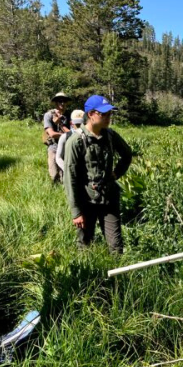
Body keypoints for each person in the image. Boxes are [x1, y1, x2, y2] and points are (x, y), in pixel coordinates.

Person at [64, 95, 132, 253]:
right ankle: (88, 275)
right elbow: (70, 178)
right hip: (86, 201)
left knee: (116, 246)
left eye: (110, 114)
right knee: (85, 245)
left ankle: (117, 275)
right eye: (104, 114)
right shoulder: (75, 141)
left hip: (109, 199)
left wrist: (116, 174)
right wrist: (76, 212)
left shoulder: (110, 135)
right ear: (91, 114)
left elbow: (127, 155)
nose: (108, 117)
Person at [43, 92, 71, 183]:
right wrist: (67, 134)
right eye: (60, 101)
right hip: (54, 145)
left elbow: (74, 133)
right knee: (54, 174)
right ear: (56, 102)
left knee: (66, 173)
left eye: (64, 101)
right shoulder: (49, 115)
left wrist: (60, 124)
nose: (62, 103)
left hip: (67, 146)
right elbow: (51, 134)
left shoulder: (69, 115)